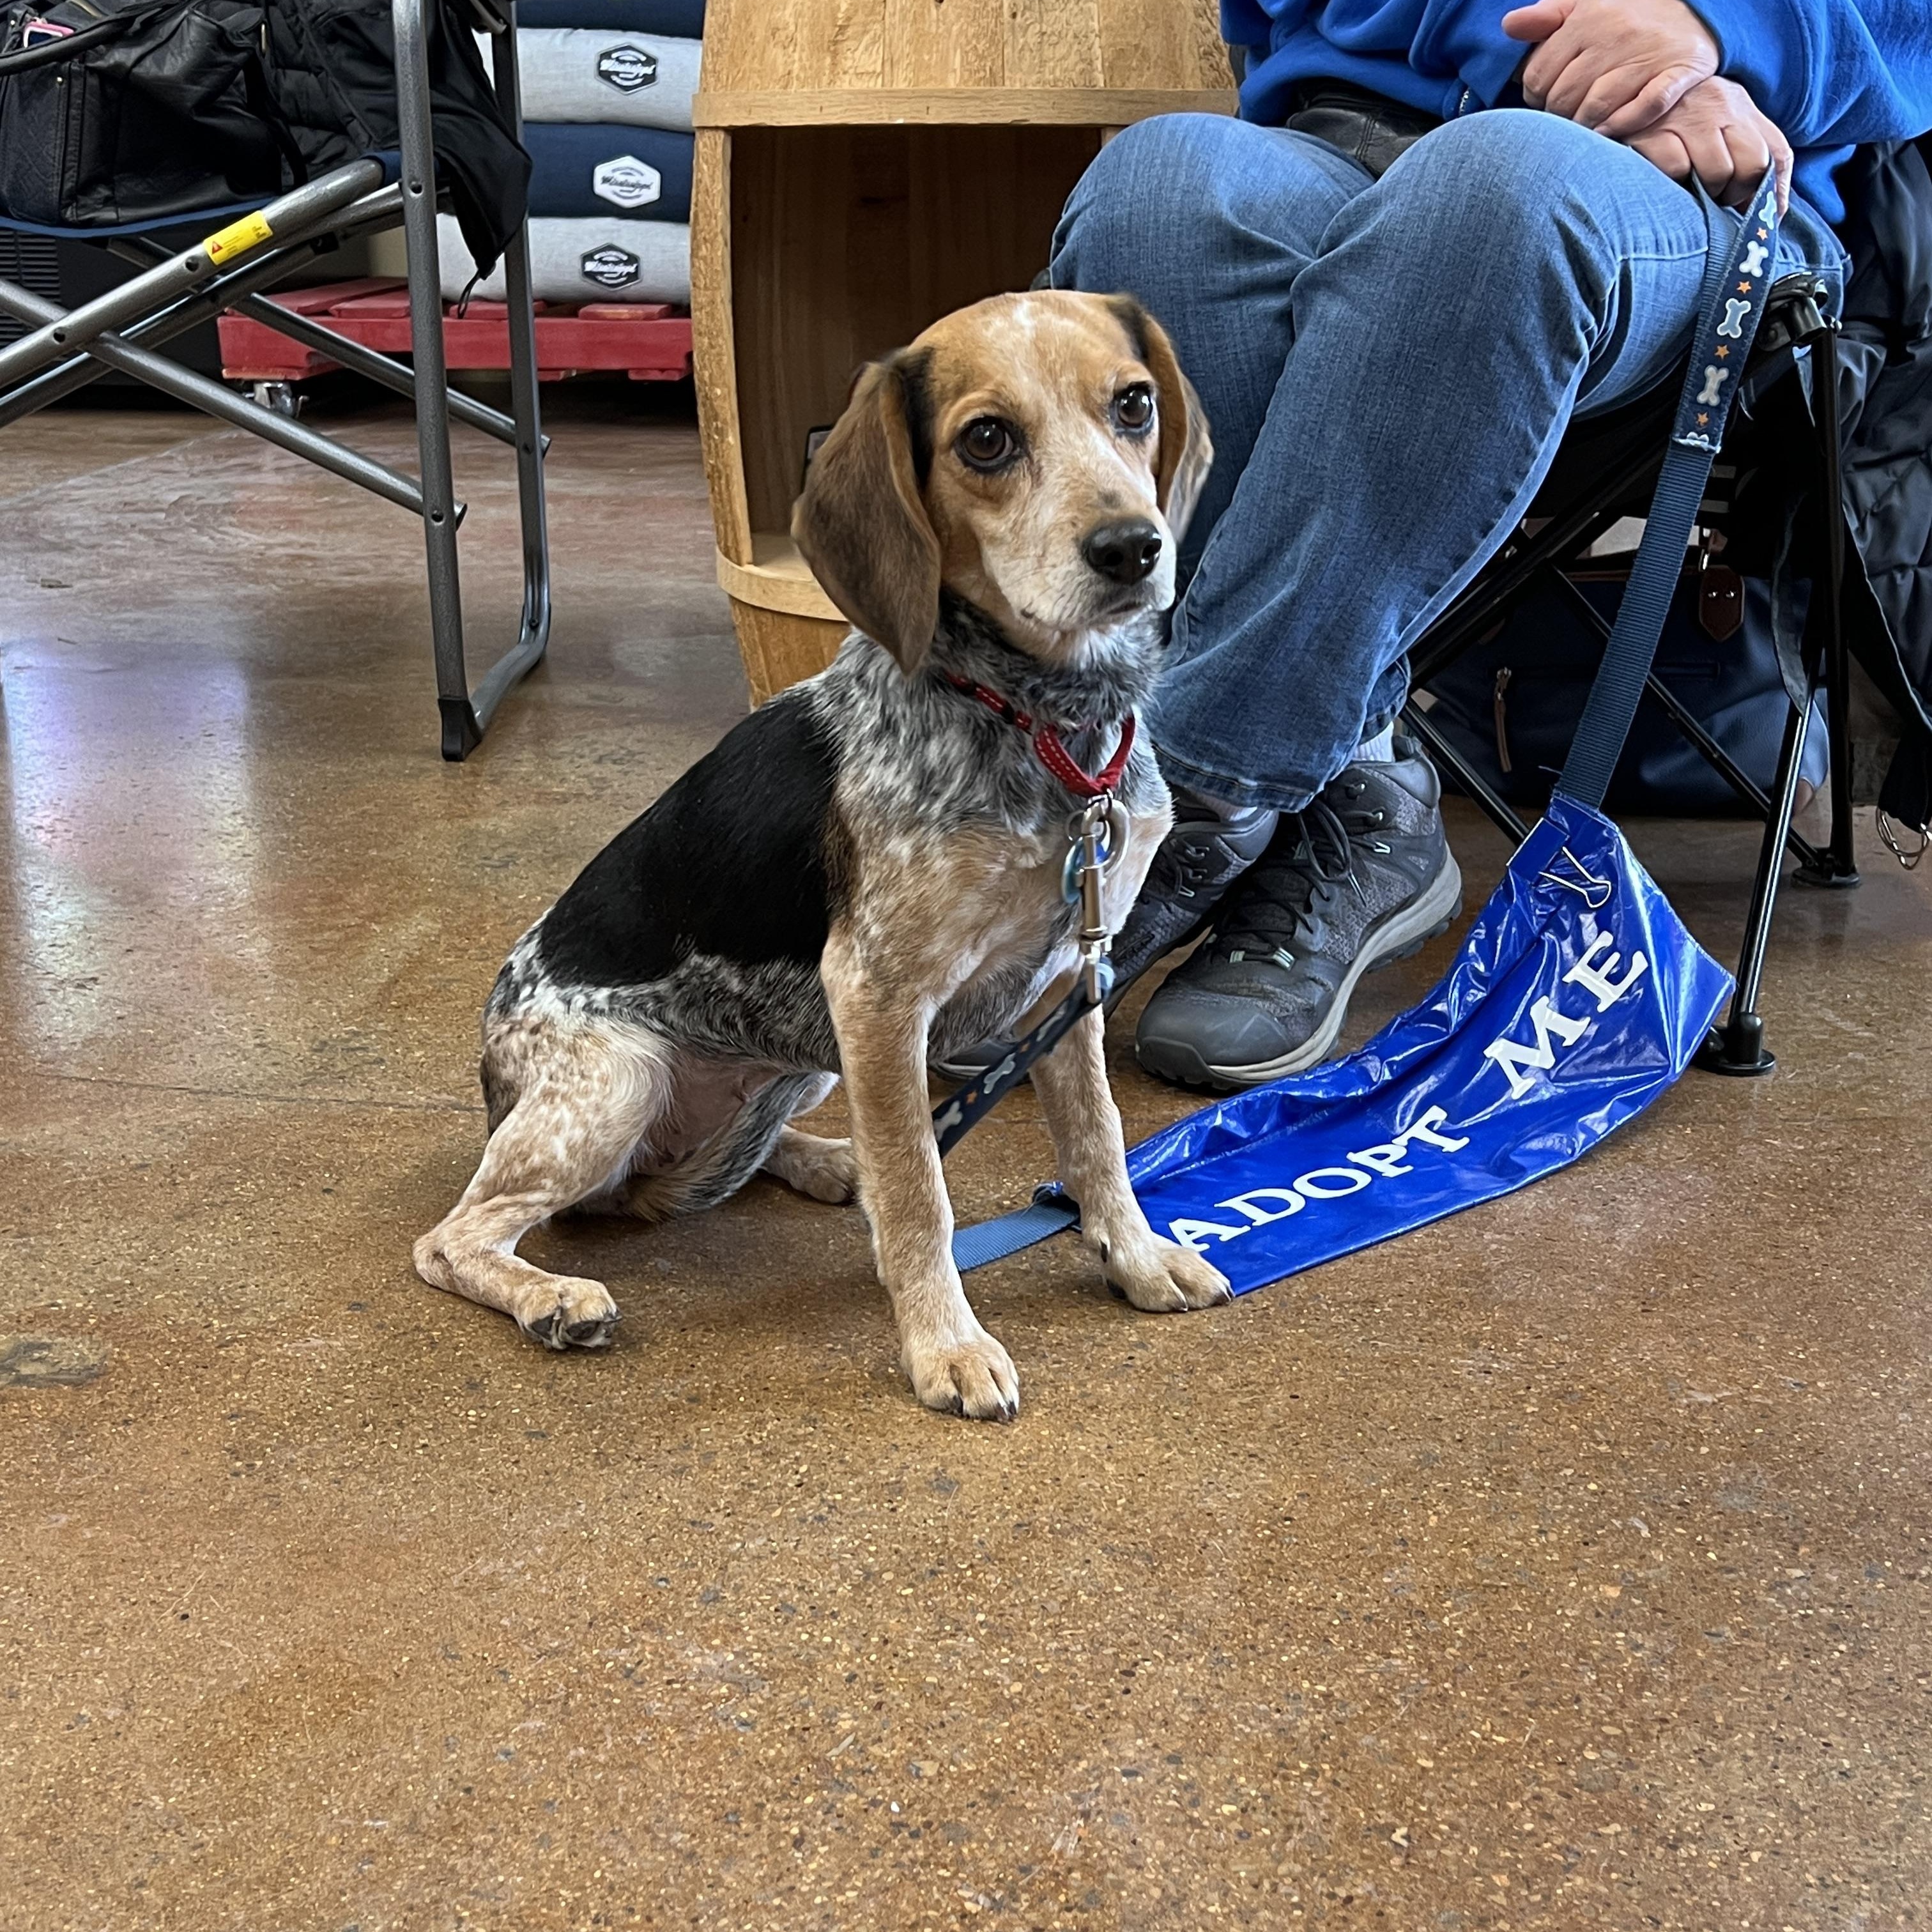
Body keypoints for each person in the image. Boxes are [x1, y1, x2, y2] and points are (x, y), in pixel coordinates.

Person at [1033, 0, 1932, 1092]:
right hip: (1350, 137)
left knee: (1496, 187)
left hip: (1702, 176)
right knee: (1159, 190)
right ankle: (1358, 798)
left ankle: (1190, 800)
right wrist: (1569, 57)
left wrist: (1718, 32)